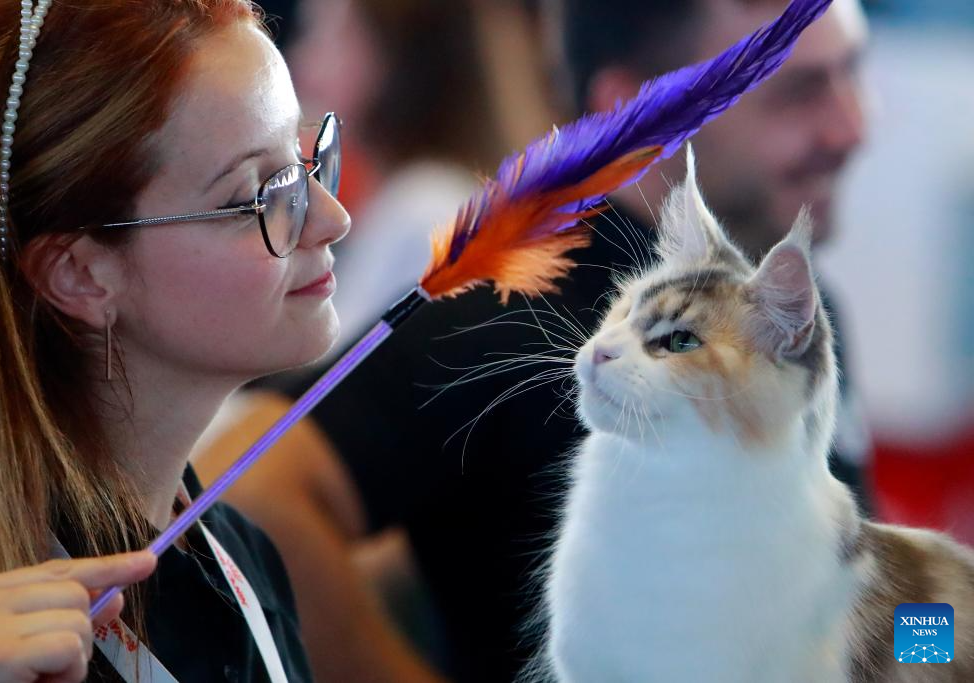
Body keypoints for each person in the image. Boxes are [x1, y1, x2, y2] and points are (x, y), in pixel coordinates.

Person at [194, 1, 872, 681]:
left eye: (851, 74)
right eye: (799, 93)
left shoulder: (789, 313)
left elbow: (872, 585)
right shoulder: (521, 317)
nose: (853, 128)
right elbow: (249, 491)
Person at [0, 1, 350, 681]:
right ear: (80, 272)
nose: (332, 219)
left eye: (306, 162)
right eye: (260, 192)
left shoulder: (239, 558)